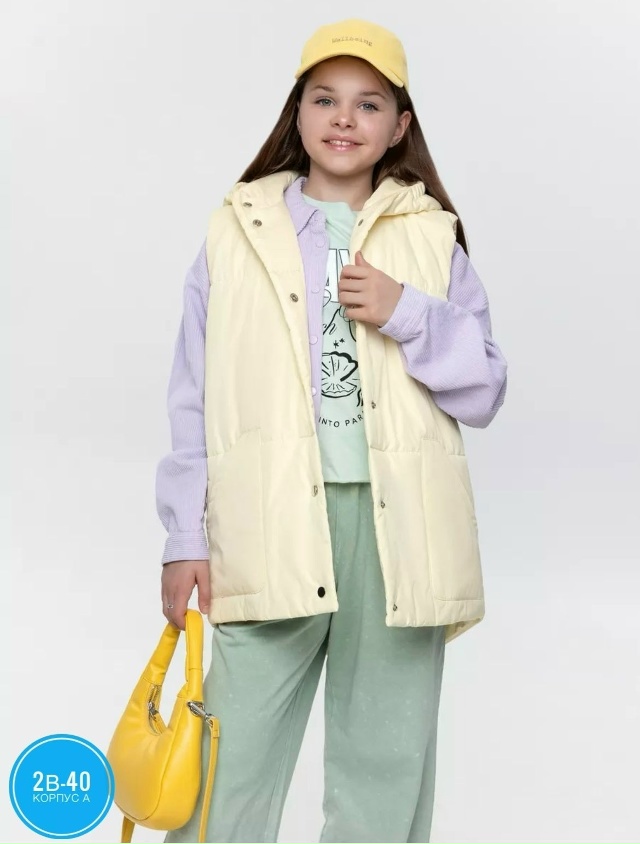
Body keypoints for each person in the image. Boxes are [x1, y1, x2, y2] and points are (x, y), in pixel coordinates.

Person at [156, 18, 508, 844]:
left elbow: (485, 389)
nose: (344, 118)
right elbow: (191, 394)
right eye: (325, 98)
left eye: (369, 103)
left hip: (399, 531)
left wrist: (407, 311)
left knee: (384, 768)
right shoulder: (235, 231)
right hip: (267, 518)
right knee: (228, 758)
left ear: (399, 126)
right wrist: (184, 535)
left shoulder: (430, 236)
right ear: (298, 112)